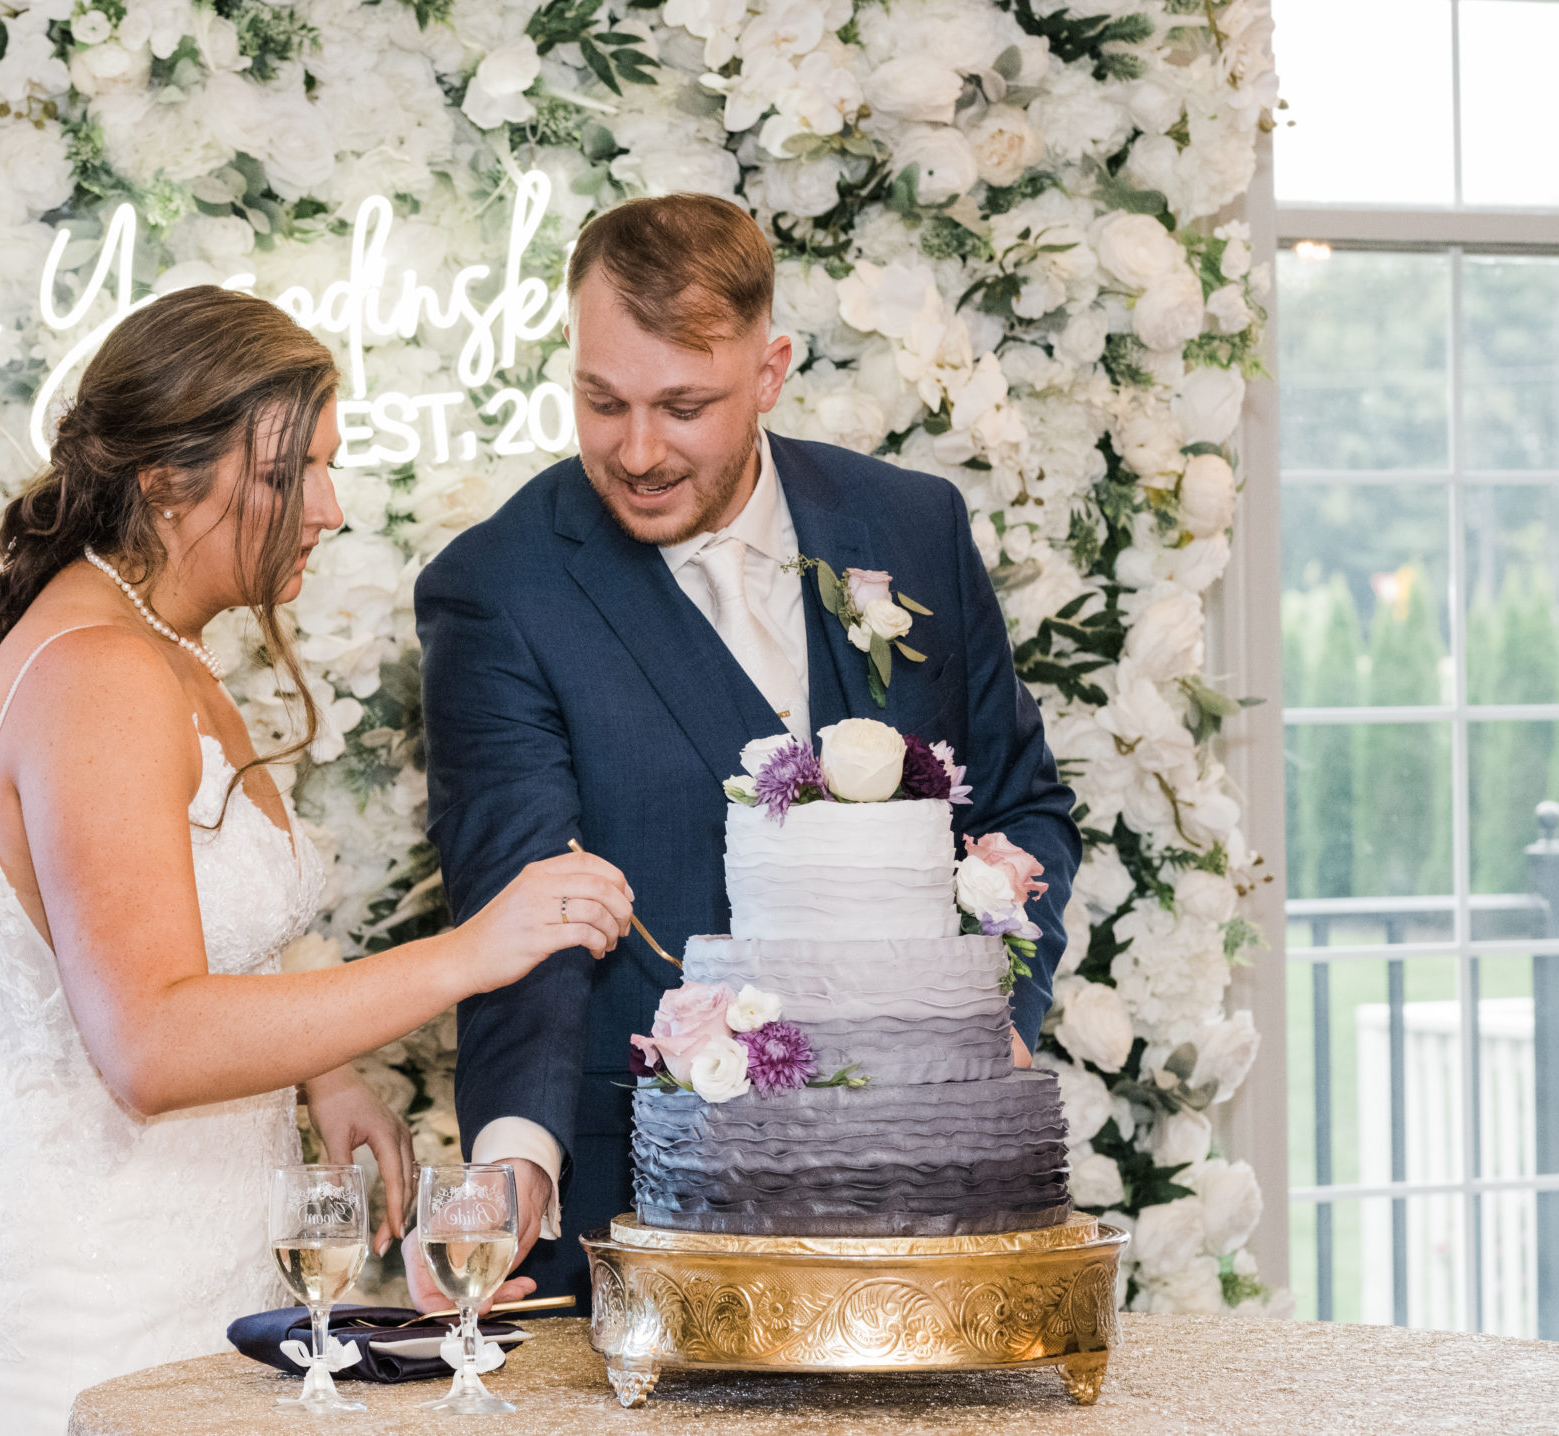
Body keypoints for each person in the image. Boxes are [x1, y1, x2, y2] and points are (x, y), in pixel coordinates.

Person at [0, 285, 634, 1435]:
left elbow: (175, 922)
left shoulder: (155, 644)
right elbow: (147, 1043)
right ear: (163, 481)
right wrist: (470, 951)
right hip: (83, 1311)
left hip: (200, 1285)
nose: (329, 509)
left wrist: (324, 1075)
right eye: (293, 476)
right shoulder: (102, 671)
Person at [408, 193, 1080, 1309]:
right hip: (652, 1213)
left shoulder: (909, 525)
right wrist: (513, 1162)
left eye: (683, 406)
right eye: (601, 400)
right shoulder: (498, 588)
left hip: (924, 1196)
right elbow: (522, 904)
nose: (636, 450)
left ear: (768, 373)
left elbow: (1022, 806)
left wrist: (987, 1026)